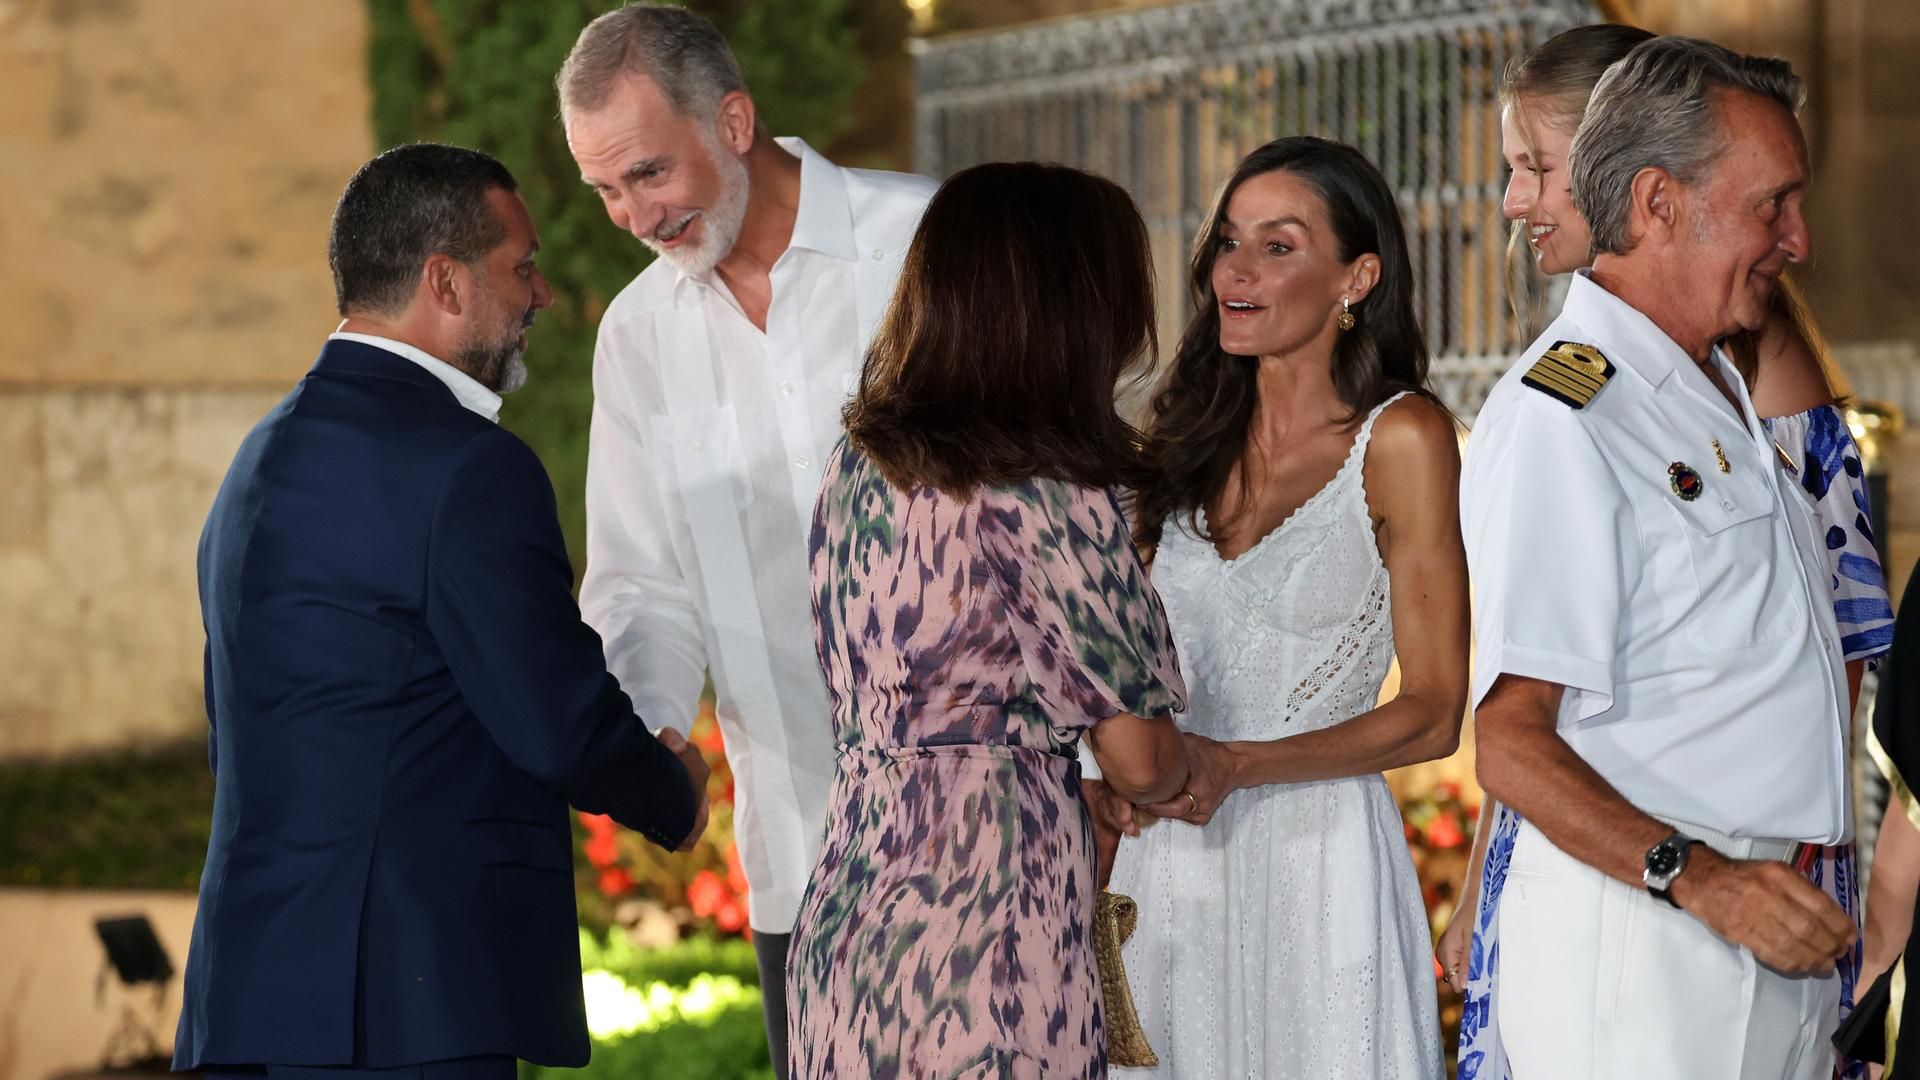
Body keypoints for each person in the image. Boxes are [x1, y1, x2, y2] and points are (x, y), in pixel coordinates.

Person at [173, 144, 708, 1080]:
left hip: (243, 1008)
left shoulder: (255, 461)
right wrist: (672, 792)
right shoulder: (468, 469)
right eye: (523, 267)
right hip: (401, 1010)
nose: (540, 296)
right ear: (445, 282)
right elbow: (557, 719)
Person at [1442, 27, 1889, 1076]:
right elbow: (1509, 739)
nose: (1798, 239)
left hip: (1754, 928)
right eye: (1769, 203)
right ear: (1657, 204)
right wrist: (1700, 880)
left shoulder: (1705, 387)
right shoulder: (1571, 411)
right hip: (1651, 943)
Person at [555, 5, 937, 1071]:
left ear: (733, 119)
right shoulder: (635, 336)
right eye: (606, 191)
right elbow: (639, 583)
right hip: (799, 856)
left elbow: (1053, 512)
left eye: (647, 174)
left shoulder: (928, 242)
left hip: (986, 839)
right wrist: (650, 736)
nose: (632, 216)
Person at [787, 161, 1192, 1079]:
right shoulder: (1047, 485)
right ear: (1075, 307)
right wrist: (1178, 771)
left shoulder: (859, 464)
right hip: (989, 945)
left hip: (849, 927)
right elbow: (1139, 757)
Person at [1094, 136, 1467, 1077]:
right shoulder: (1172, 440)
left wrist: (1237, 764)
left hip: (1320, 865)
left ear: (1359, 277)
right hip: (1170, 867)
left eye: (1279, 245)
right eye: (1228, 242)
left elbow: (1432, 712)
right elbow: (1110, 662)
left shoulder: (1404, 438)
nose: (1237, 271)